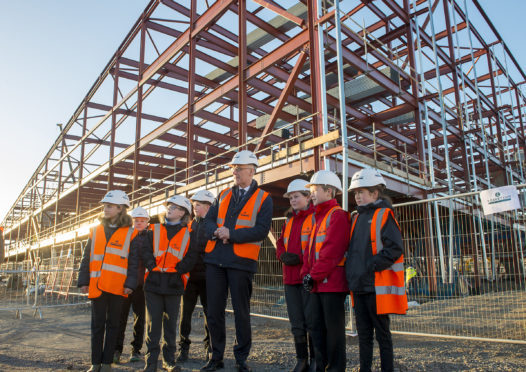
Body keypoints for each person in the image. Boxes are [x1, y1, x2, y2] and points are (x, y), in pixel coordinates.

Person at [201, 150, 273, 372]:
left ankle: (241, 358)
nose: (235, 172)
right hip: (216, 261)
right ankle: (216, 357)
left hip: (241, 262)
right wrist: (218, 231)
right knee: (213, 311)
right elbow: (207, 222)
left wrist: (231, 234)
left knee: (242, 312)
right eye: (233, 168)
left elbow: (261, 230)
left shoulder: (264, 198)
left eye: (239, 169)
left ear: (252, 171)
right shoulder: (222, 194)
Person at [346, 168, 407, 372]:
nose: (357, 196)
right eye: (355, 193)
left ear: (375, 193)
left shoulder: (384, 215)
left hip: (375, 287)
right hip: (359, 286)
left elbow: (395, 248)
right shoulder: (356, 218)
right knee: (364, 336)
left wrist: (371, 266)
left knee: (382, 335)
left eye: (361, 192)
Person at [78, 190, 140, 372]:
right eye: (105, 206)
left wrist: (130, 284)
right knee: (97, 326)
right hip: (97, 286)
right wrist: (83, 281)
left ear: (121, 209)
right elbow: (86, 259)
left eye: (110, 206)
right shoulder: (95, 231)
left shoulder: (131, 234)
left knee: (113, 325)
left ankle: (107, 364)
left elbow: (133, 262)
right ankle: (95, 363)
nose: (105, 209)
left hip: (117, 286)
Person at [141, 195, 200, 372]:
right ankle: (150, 363)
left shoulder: (189, 233)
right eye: (169, 207)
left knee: (170, 325)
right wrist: (152, 266)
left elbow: (192, 256)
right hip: (153, 284)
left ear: (183, 212)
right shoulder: (153, 229)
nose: (170, 209)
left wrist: (179, 270)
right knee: (153, 325)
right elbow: (145, 250)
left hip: (174, 285)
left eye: (174, 207)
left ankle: (168, 361)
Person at [301, 170, 350, 372]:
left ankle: (336, 368)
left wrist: (313, 275)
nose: (311, 194)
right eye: (311, 190)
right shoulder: (318, 217)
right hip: (318, 284)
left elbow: (332, 252)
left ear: (329, 191)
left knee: (334, 332)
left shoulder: (337, 215)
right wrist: (306, 273)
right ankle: (321, 366)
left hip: (332, 284)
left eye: (315, 190)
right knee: (317, 329)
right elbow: (309, 252)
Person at [276, 179, 315, 372]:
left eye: (296, 196)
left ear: (308, 197)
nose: (292, 200)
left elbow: (316, 246)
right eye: (290, 197)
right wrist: (282, 254)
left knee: (312, 320)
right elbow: (280, 243)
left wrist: (299, 258)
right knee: (297, 322)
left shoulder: (314, 218)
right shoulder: (289, 221)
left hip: (308, 278)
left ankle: (315, 359)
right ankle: (302, 360)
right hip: (290, 279)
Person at [176, 189, 215, 363]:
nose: (194, 208)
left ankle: (210, 348)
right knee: (185, 316)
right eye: (193, 205)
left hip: (208, 278)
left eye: (198, 205)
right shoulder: (190, 226)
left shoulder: (215, 225)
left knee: (210, 315)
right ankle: (183, 348)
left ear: (208, 206)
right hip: (190, 279)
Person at [113, 207, 149, 364]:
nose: (139, 223)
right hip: (124, 283)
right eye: (136, 220)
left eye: (142, 221)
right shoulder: (125, 236)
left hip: (141, 286)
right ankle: (116, 350)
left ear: (147, 222)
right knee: (119, 317)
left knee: (139, 318)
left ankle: (136, 350)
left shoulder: (151, 238)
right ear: (132, 221)